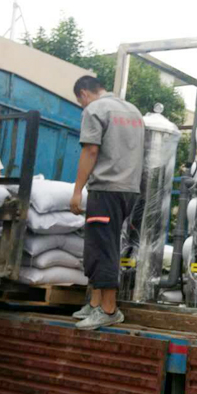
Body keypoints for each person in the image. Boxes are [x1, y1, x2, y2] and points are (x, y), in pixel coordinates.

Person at [70, 75, 144, 330]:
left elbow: (91, 150)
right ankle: (95, 303)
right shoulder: (133, 111)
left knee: (102, 247)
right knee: (101, 242)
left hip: (106, 188)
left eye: (80, 101)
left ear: (83, 93)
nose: (82, 105)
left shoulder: (95, 109)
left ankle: (109, 310)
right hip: (129, 189)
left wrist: (77, 191)